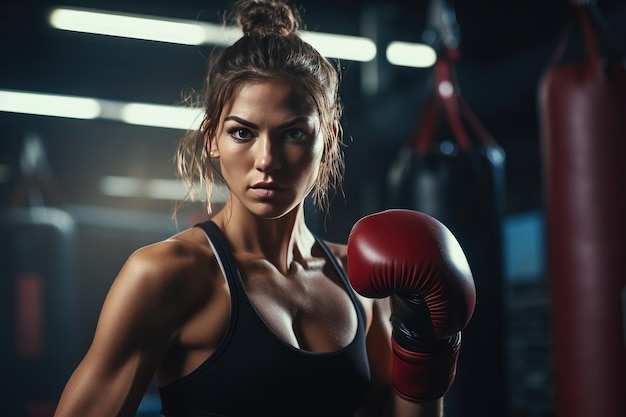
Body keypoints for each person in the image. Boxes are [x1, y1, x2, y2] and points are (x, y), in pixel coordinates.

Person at [53, 1, 475, 416]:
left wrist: (427, 346)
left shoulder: (365, 285)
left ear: (327, 137)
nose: (267, 159)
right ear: (211, 140)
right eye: (242, 132)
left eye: (292, 133)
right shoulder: (169, 274)